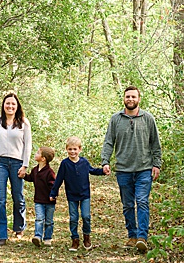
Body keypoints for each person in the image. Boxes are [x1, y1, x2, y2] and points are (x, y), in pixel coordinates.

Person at [101, 85, 162, 254]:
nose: (130, 99)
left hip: (144, 169)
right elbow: (108, 142)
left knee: (142, 201)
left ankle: (142, 238)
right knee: (128, 205)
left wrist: (157, 164)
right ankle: (132, 235)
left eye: (133, 97)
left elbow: (155, 144)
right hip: (123, 170)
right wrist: (105, 161)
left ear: (139, 99)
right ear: (124, 98)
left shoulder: (148, 118)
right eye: (128, 96)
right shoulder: (116, 119)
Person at [0, 92, 33, 245]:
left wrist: (25, 165)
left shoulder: (24, 123)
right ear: (3, 105)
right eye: (7, 103)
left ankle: (19, 226)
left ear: (17, 107)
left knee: (18, 197)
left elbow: (27, 145)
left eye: (13, 104)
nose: (10, 106)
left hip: (17, 162)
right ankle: (1, 234)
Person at [48, 137, 108, 253]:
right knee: (74, 218)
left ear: (79, 149)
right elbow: (59, 179)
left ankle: (87, 237)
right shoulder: (65, 164)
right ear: (66, 149)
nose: (72, 152)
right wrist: (53, 193)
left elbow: (92, 170)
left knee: (86, 216)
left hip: (84, 194)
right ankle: (75, 239)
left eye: (75, 149)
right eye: (70, 149)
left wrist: (102, 171)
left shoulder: (84, 162)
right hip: (72, 195)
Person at [23, 145, 57, 247]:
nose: (35, 154)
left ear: (43, 159)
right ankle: (38, 236)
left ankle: (47, 238)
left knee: (49, 221)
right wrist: (24, 176)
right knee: (39, 218)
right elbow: (30, 178)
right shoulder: (35, 170)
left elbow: (54, 185)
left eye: (38, 153)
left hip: (49, 201)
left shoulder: (49, 172)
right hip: (39, 200)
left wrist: (53, 195)